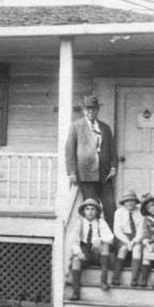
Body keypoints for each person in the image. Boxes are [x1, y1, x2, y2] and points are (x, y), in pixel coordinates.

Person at [65, 95, 119, 228]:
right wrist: (71, 172)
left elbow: (112, 149)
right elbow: (69, 151)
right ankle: (92, 239)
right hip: (86, 175)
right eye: (88, 109)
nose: (91, 112)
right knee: (91, 208)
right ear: (83, 110)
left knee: (110, 207)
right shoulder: (76, 127)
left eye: (93, 109)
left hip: (105, 175)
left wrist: (113, 166)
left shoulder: (105, 128)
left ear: (98, 110)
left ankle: (111, 238)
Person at [68, 198, 114, 300]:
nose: (90, 212)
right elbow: (73, 241)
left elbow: (110, 237)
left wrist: (99, 240)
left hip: (96, 253)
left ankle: (103, 281)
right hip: (85, 251)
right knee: (75, 260)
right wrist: (79, 253)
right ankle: (76, 292)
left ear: (97, 211)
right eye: (87, 209)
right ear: (84, 211)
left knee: (105, 246)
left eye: (93, 209)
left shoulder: (100, 222)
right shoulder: (79, 223)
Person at [112, 190, 143, 286]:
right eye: (127, 201)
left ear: (135, 202)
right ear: (123, 202)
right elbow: (117, 230)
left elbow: (141, 230)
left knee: (137, 249)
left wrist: (134, 241)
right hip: (123, 237)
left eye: (132, 200)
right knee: (123, 249)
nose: (129, 203)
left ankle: (134, 278)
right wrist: (127, 241)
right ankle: (116, 277)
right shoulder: (119, 212)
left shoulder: (140, 212)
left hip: (136, 237)